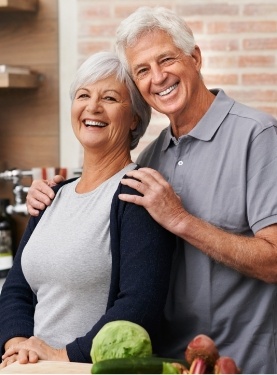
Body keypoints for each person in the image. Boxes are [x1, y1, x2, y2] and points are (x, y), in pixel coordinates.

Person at [25, 6, 277, 374]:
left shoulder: (257, 136)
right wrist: (52, 195)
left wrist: (181, 220)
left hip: (241, 362)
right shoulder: (152, 157)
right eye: (142, 70)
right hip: (165, 363)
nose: (157, 78)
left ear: (195, 58)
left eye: (166, 60)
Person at [0, 50, 175, 368]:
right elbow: (17, 288)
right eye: (83, 95)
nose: (92, 107)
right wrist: (19, 347)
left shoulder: (136, 196)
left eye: (109, 98)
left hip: (87, 368)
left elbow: (139, 306)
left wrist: (61, 356)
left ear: (134, 117)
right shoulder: (53, 194)